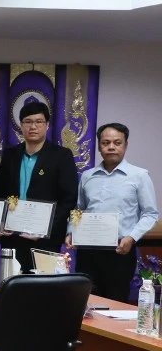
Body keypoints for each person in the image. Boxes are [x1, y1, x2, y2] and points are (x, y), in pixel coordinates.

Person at [68, 123, 159, 302]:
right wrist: (71, 231)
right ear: (99, 146)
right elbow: (79, 209)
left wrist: (131, 238)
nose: (111, 147)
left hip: (120, 251)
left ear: (125, 145)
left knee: (115, 304)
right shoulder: (87, 176)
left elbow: (150, 214)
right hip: (88, 251)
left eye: (117, 142)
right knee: (84, 303)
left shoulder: (139, 176)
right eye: (105, 142)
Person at [0, 101, 78, 272]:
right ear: (21, 125)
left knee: (43, 290)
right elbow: (1, 192)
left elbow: (69, 198)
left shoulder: (61, 156)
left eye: (38, 122)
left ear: (47, 125)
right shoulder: (10, 155)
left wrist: (45, 228)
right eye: (28, 122)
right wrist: (2, 220)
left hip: (46, 239)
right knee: (12, 288)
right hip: (12, 236)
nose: (33, 126)